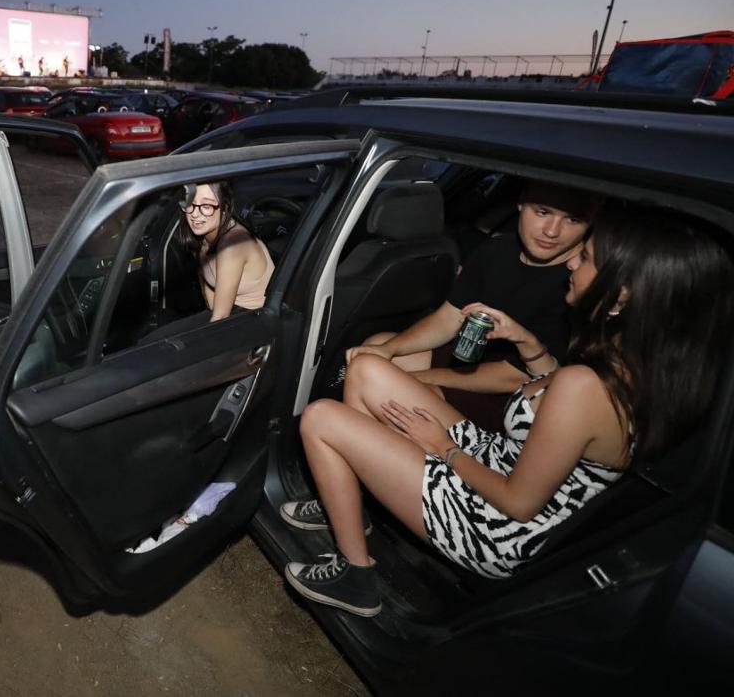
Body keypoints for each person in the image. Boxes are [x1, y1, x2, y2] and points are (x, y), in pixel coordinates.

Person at [278, 207, 733, 616]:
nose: (572, 261)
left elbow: (518, 502)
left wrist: (442, 449)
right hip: (500, 458)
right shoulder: (644, 368)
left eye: (587, 257)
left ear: (622, 296)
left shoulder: (586, 385)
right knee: (369, 371)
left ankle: (357, 575)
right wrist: (529, 345)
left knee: (321, 417)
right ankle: (354, 509)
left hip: (494, 525)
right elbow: (560, 405)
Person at [345, 182, 597, 424]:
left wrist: (414, 379)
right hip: (470, 360)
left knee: (402, 398)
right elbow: (448, 318)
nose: (552, 231)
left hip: (516, 398)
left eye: (572, 219)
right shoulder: (497, 250)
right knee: (376, 347)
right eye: (543, 212)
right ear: (521, 204)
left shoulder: (579, 281)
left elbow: (515, 376)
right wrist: (389, 350)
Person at [176, 182, 275, 321]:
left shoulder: (232, 244)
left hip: (255, 319)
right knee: (156, 339)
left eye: (206, 206)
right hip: (228, 312)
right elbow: (211, 297)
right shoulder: (201, 237)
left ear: (224, 207)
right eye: (190, 203)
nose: (195, 214)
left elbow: (221, 316)